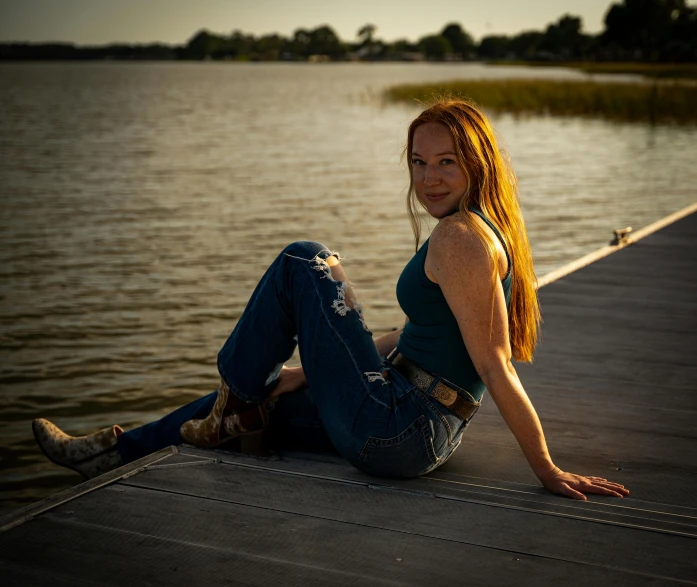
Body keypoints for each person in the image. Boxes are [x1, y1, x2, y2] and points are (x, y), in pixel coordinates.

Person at [33, 99, 629, 501]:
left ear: (477, 164)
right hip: (410, 423)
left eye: (447, 163)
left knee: (304, 259)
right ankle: (116, 451)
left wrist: (547, 470)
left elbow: (494, 363)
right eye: (420, 163)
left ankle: (232, 406)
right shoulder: (478, 229)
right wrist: (310, 368)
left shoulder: (460, 238)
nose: (430, 179)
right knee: (265, 393)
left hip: (400, 425)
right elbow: (419, 333)